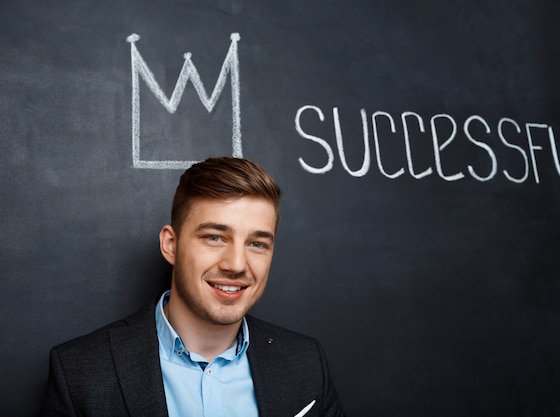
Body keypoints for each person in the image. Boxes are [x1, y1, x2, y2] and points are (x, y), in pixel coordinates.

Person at [40, 157, 345, 417]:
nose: (237, 264)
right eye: (215, 237)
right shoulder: (80, 372)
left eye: (256, 243)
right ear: (171, 245)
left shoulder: (306, 364)